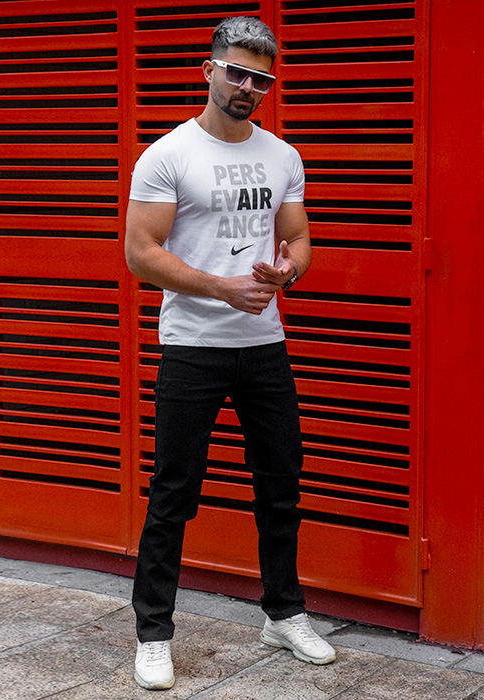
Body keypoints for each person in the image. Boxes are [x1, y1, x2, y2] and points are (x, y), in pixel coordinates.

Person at [124, 15, 336, 691]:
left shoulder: (282, 156)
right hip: (193, 347)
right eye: (237, 72)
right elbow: (140, 254)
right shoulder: (168, 155)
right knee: (174, 491)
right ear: (208, 70)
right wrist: (221, 287)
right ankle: (153, 634)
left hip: (264, 346)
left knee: (281, 485)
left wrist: (288, 271)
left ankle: (284, 614)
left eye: (261, 80)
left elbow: (298, 239)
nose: (248, 87)